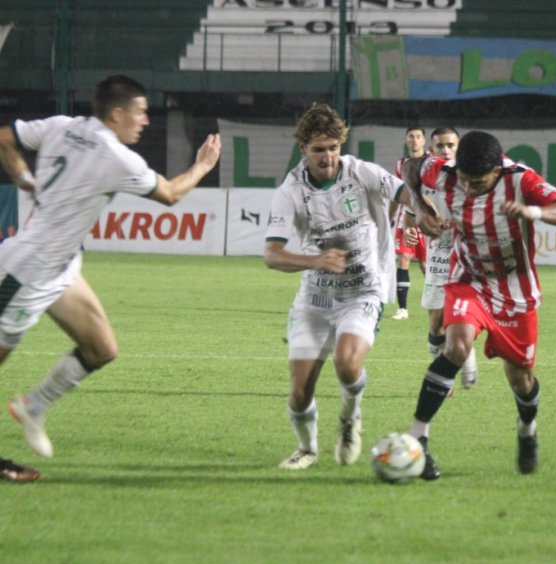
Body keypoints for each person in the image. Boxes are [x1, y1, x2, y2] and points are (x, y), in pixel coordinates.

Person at [0, 74, 221, 458]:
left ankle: (33, 407)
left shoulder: (62, 125)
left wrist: (24, 179)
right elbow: (170, 193)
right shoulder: (115, 156)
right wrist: (202, 165)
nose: (146, 121)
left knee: (102, 348)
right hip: (27, 271)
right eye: (141, 112)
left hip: (61, 267)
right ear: (117, 114)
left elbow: (5, 138)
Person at [403, 130, 556, 479]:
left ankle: (527, 429)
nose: (468, 189)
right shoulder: (445, 172)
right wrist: (419, 206)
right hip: (468, 279)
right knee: (455, 346)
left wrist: (530, 211)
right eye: (464, 181)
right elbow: (411, 167)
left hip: (514, 290)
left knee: (520, 380)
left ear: (497, 171)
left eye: (478, 183)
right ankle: (417, 438)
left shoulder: (521, 179)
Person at [265, 103, 409, 470]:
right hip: (315, 299)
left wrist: (423, 211)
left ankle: (350, 417)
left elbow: (404, 192)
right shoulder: (289, 192)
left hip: (363, 291)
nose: (328, 157)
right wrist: (315, 261)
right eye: (318, 149)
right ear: (303, 148)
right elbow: (273, 255)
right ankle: (307, 449)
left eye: (333, 147)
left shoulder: (361, 172)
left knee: (347, 363)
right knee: (300, 393)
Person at [407, 127, 477, 388]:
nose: (446, 150)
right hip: (438, 259)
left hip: (467, 258)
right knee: (436, 325)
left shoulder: (471, 178)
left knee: (463, 317)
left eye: (451, 145)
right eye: (440, 146)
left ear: (459, 147)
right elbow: (410, 216)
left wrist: (458, 224)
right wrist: (410, 232)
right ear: (432, 149)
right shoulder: (424, 180)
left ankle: (459, 366)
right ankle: (442, 367)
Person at [390, 126, 428, 320]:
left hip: (427, 218)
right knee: (403, 258)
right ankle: (403, 309)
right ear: (406, 140)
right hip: (406, 218)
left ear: (424, 140)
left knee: (426, 264)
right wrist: (389, 217)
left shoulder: (431, 163)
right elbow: (396, 194)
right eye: (411, 136)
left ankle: (438, 303)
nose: (414, 140)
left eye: (418, 136)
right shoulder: (400, 164)